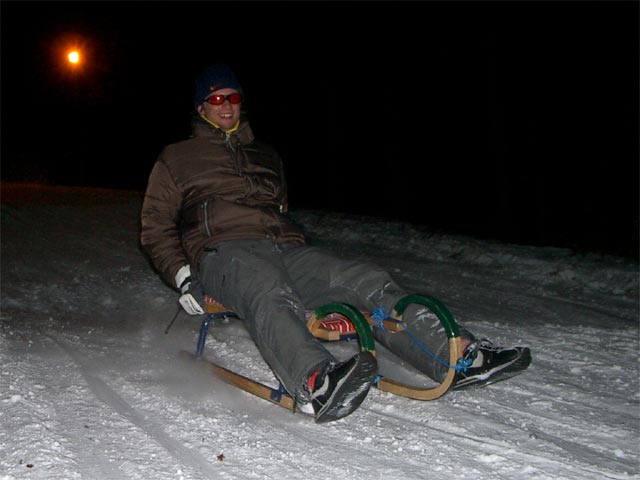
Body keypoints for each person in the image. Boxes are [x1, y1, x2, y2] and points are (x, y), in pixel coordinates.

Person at [140, 64, 531, 423]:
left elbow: (280, 210)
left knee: (362, 278)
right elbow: (155, 226)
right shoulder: (177, 157)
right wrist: (184, 274)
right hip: (223, 252)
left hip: (284, 247)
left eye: (234, 97)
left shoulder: (265, 155)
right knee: (267, 289)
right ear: (201, 107)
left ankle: (457, 357)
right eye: (216, 99)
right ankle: (315, 382)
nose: (227, 105)